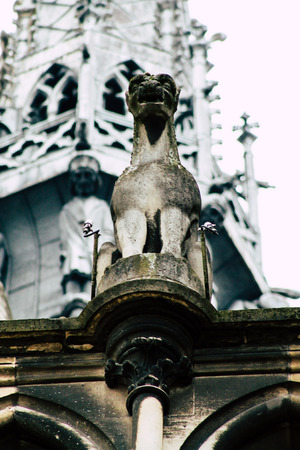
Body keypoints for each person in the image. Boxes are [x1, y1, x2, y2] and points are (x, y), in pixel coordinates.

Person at [59, 155, 114, 305]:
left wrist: (102, 246)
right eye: (79, 176)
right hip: (75, 248)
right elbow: (65, 236)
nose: (83, 181)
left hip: (93, 248)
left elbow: (108, 230)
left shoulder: (101, 206)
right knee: (74, 271)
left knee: (92, 276)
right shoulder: (67, 209)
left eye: (87, 176)